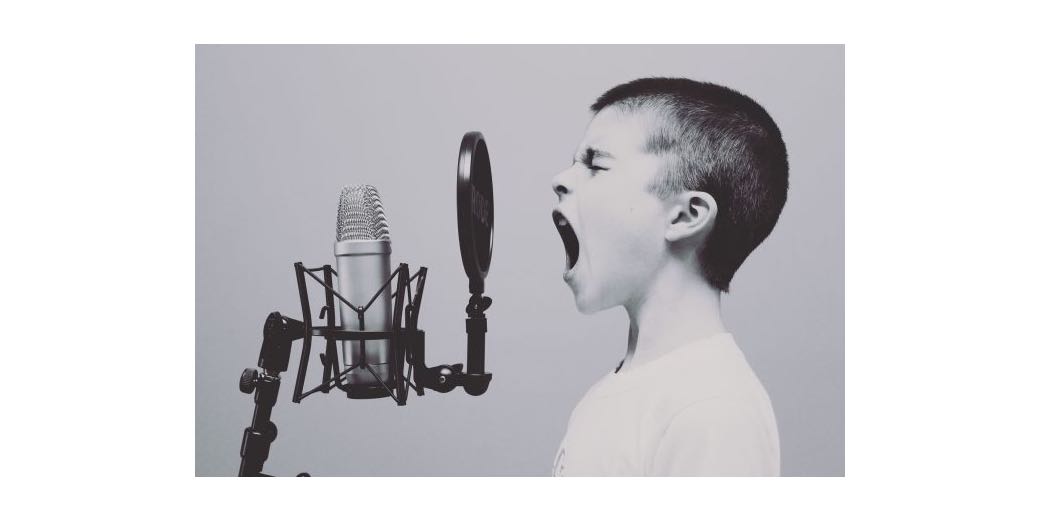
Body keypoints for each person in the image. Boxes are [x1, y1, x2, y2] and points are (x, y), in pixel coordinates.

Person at [550, 77, 788, 476]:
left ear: (685, 215)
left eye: (595, 164)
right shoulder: (615, 392)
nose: (560, 180)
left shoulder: (713, 410)